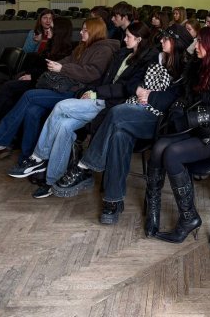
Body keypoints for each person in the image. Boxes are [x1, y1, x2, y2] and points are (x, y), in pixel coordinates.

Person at [50, 24, 193, 225]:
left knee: (117, 112)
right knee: (119, 135)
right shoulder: (157, 57)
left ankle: (85, 165)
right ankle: (113, 200)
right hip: (136, 109)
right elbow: (133, 82)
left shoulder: (186, 67)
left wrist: (150, 96)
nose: (161, 40)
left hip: (159, 119)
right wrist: (140, 90)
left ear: (177, 43)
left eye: (166, 39)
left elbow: (176, 100)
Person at [10, 21, 158, 198]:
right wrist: (90, 91)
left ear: (139, 39)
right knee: (63, 126)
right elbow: (104, 79)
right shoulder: (123, 53)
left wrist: (95, 93)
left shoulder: (146, 60)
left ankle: (38, 158)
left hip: (111, 105)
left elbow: (125, 88)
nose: (124, 39)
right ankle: (52, 180)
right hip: (100, 98)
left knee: (61, 106)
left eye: (128, 36)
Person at [145, 26, 210, 243]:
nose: (195, 46)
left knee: (172, 154)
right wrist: (179, 111)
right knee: (159, 147)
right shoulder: (198, 65)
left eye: (200, 42)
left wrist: (192, 118)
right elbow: (185, 95)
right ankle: (153, 205)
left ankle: (189, 217)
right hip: (194, 128)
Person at [0, 18, 119, 165]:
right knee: (32, 111)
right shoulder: (83, 46)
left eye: (85, 30)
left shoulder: (104, 50)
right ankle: (28, 158)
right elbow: (68, 60)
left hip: (78, 92)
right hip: (67, 87)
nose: (81, 32)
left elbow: (92, 73)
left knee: (29, 95)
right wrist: (56, 64)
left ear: (94, 31)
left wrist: (62, 68)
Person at [0, 17, 73, 123]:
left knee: (9, 86)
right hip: (36, 77)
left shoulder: (65, 52)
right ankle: (2, 118)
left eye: (51, 28)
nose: (47, 30)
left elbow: (51, 73)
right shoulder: (51, 45)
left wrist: (32, 76)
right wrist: (28, 73)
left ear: (59, 31)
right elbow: (37, 63)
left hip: (43, 83)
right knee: (13, 87)